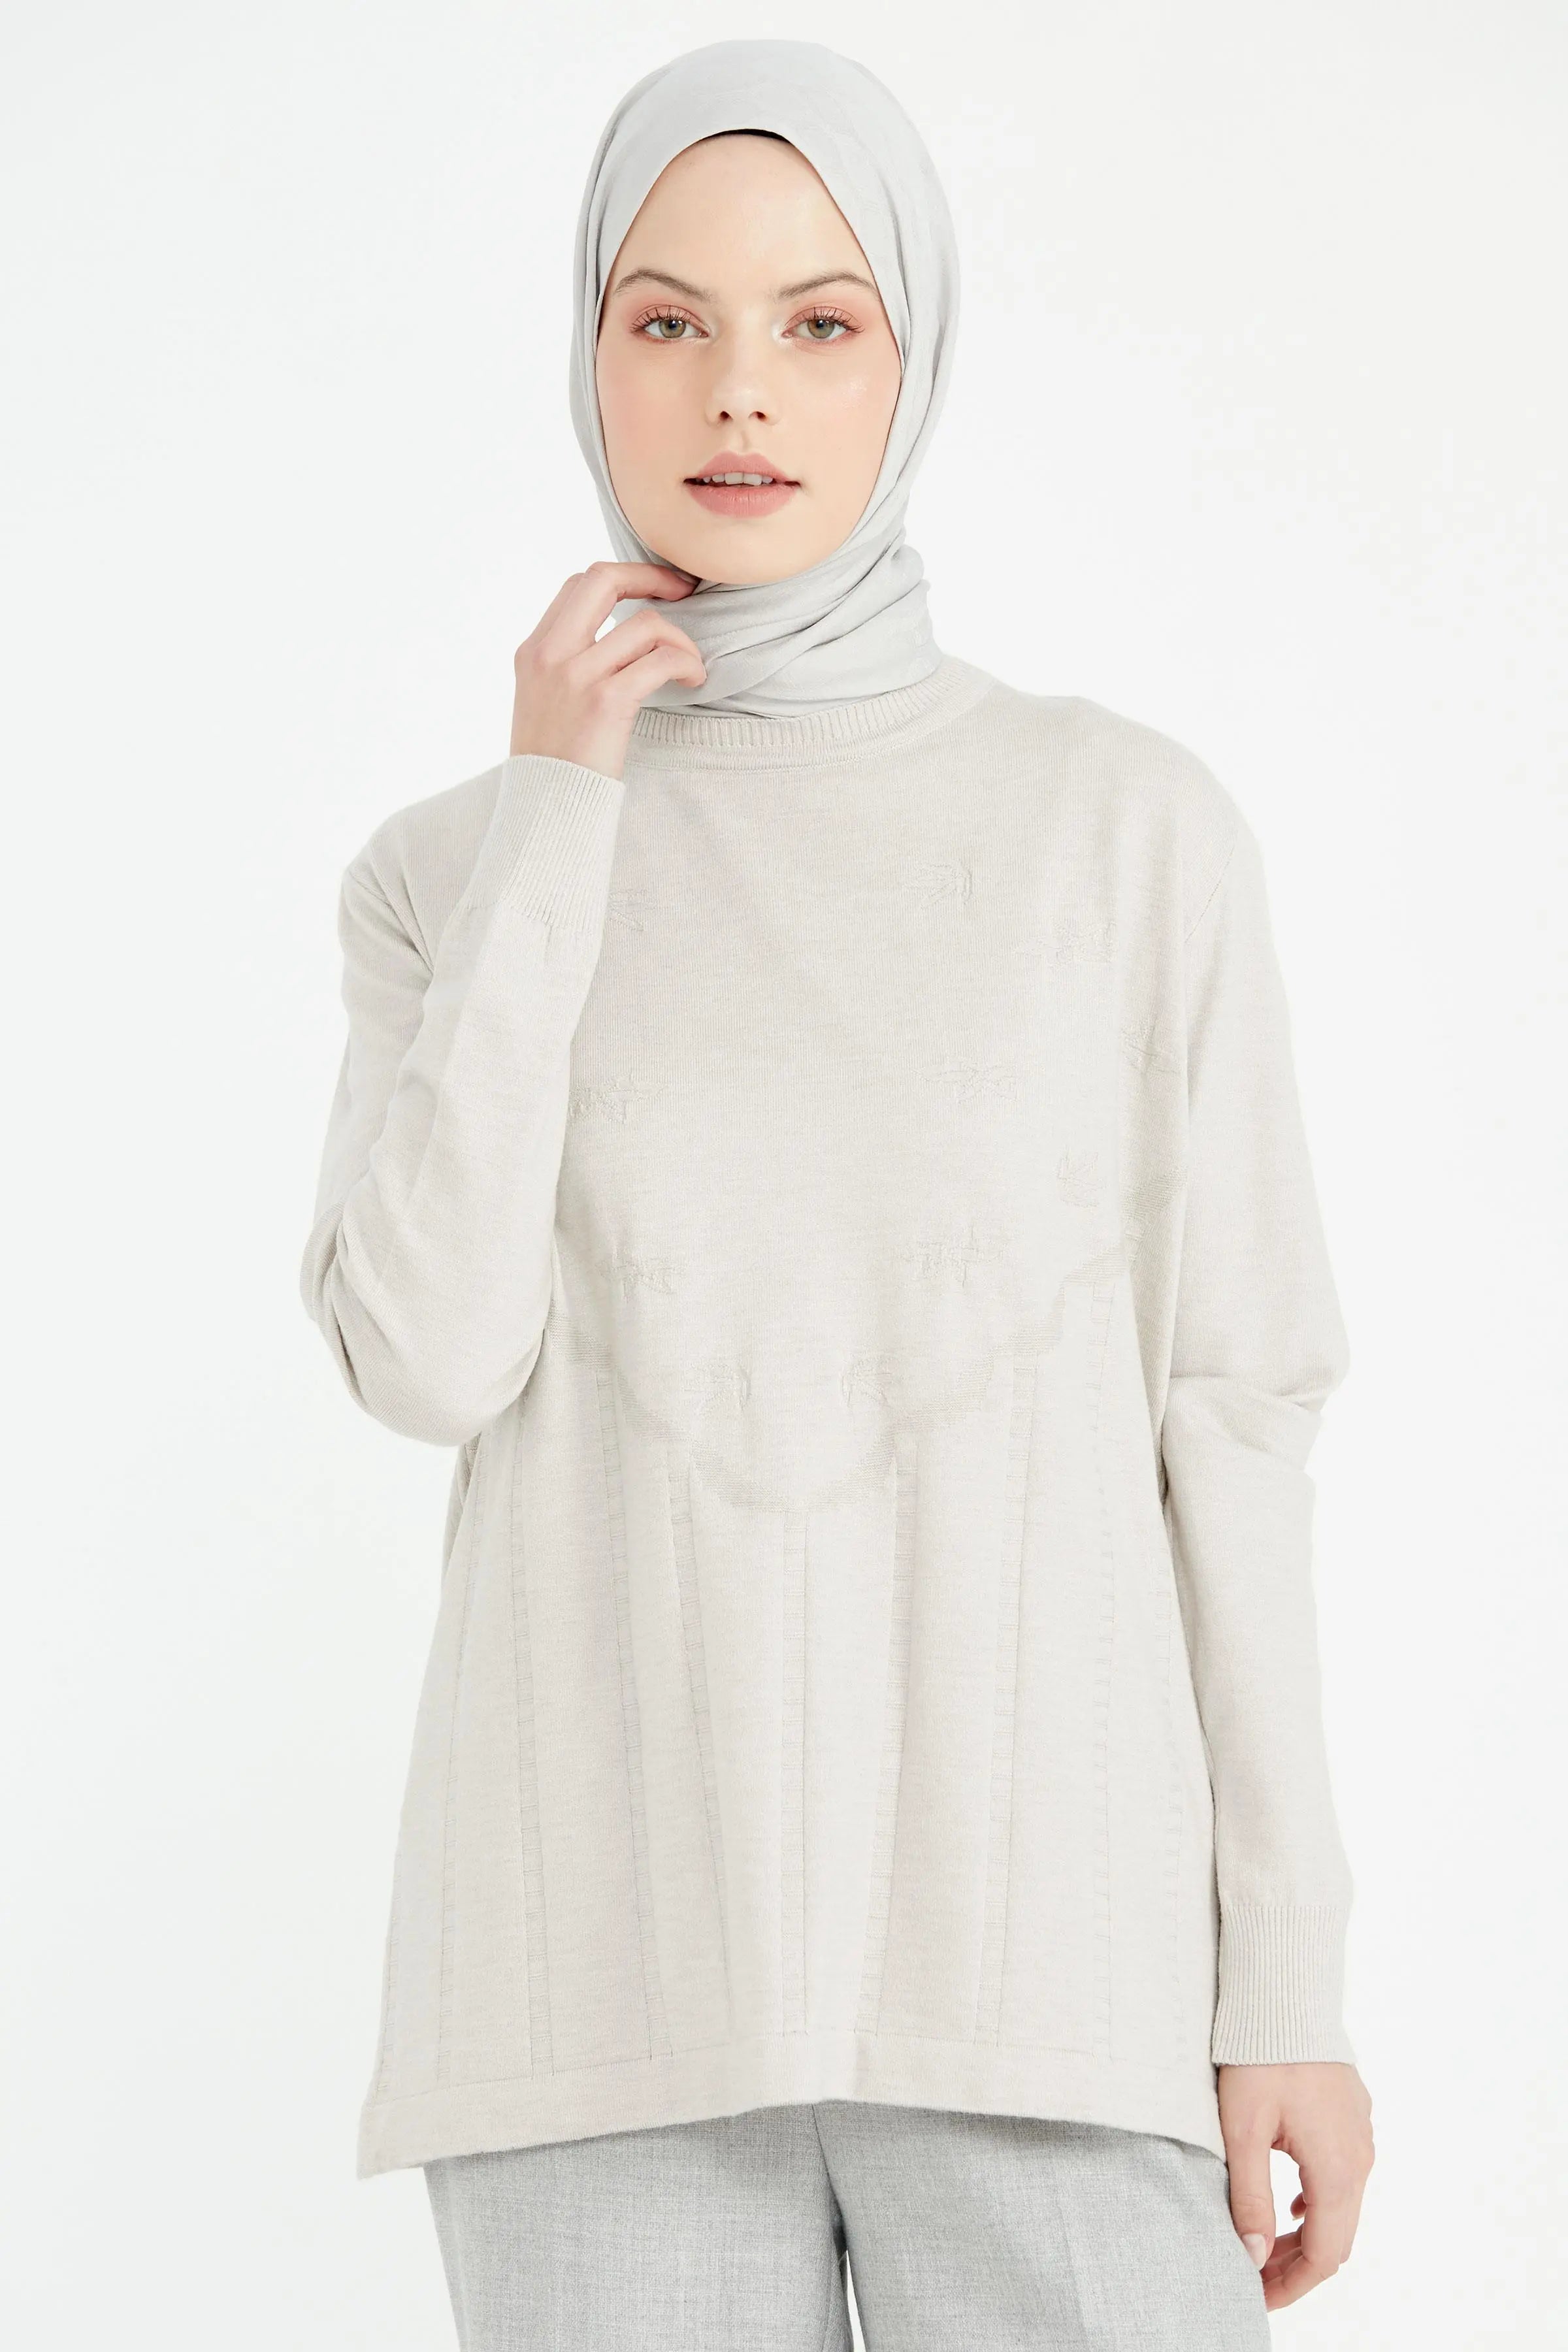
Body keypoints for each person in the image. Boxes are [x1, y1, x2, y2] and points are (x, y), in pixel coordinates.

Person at [299, 36, 1375, 2349]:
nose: (738, 389)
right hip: (593, 2019)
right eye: (666, 318)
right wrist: (561, 809)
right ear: (589, 348)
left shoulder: (1124, 831)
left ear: (915, 356)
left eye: (819, 319)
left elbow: (1236, 1418)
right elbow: (425, 1354)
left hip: (1052, 2002)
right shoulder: (449, 875)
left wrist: (1287, 1978)